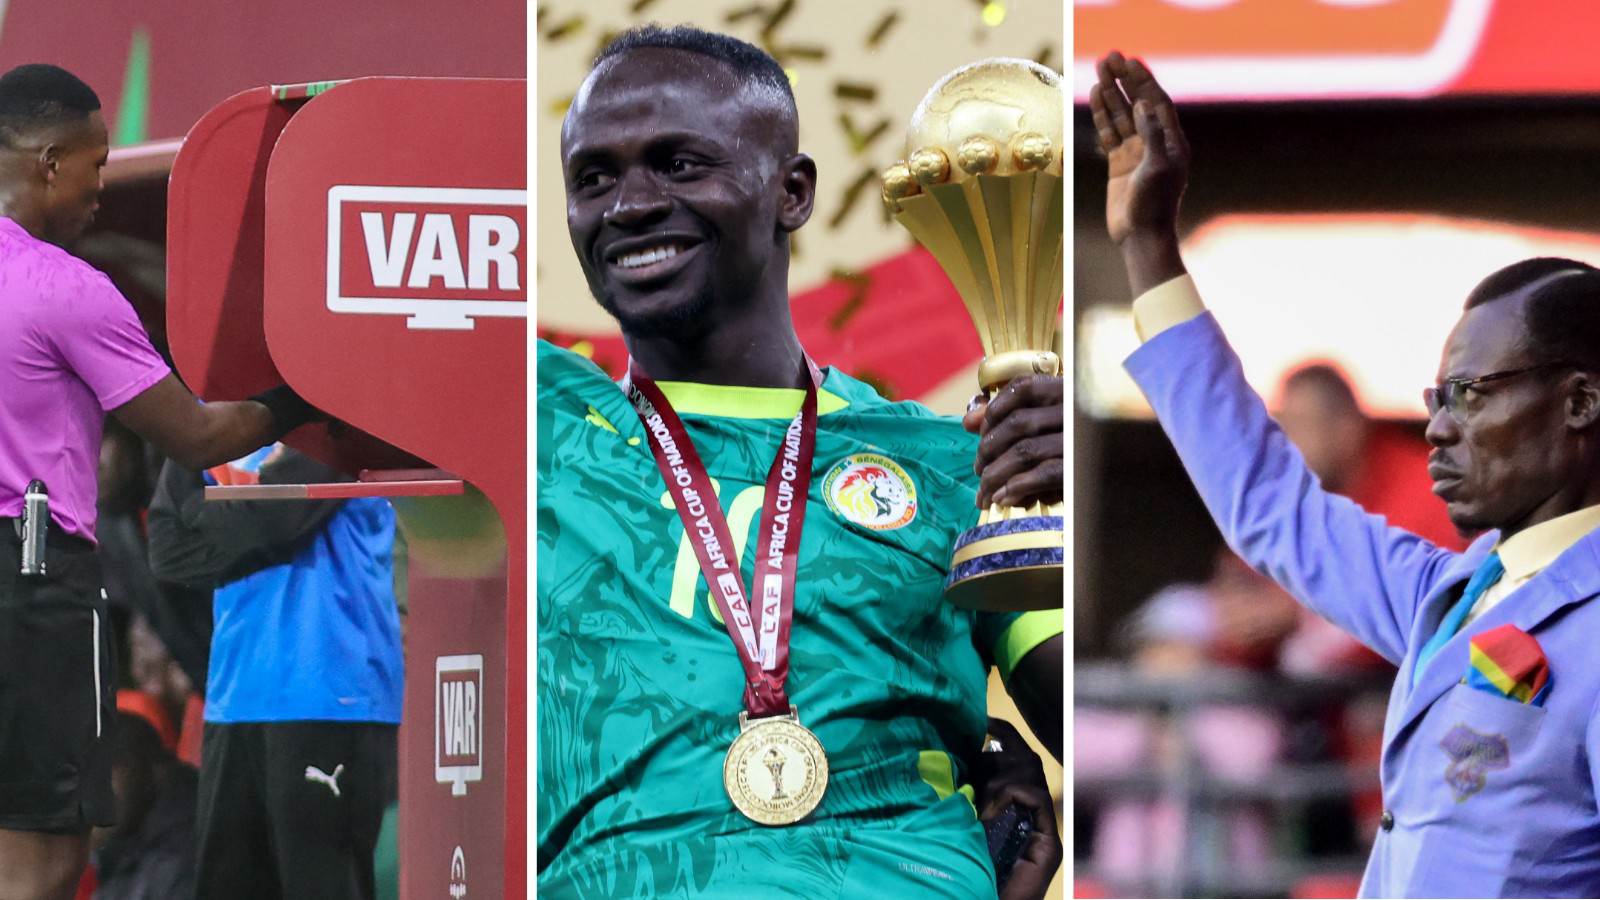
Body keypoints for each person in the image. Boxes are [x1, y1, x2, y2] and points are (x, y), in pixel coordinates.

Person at [538, 25, 1063, 899]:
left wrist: (1053, 516)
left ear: (792, 191)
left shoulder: (948, 466)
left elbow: (1080, 717)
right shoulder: (539, 429)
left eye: (677, 164)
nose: (629, 203)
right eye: (594, 178)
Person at [1094, 50, 1600, 896]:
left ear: (1581, 403)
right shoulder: (1449, 594)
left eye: (1472, 394)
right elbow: (1269, 503)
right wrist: (1148, 247)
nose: (1437, 427)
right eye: (1440, 396)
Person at [0, 63, 313, 900]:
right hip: (29, 582)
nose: (102, 187)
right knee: (44, 864)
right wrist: (312, 390)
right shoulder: (65, 289)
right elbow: (198, 433)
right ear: (50, 161)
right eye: (98, 165)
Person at [146, 443, 402, 900]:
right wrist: (254, 524)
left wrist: (212, 522)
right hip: (234, 697)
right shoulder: (207, 418)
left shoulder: (335, 406)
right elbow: (166, 549)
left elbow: (281, 518)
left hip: (331, 689)